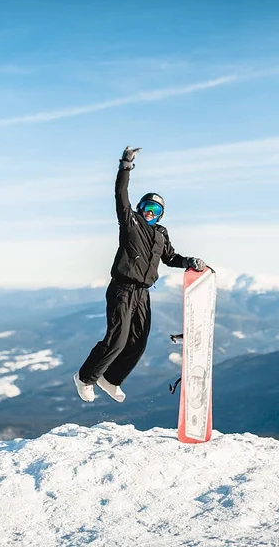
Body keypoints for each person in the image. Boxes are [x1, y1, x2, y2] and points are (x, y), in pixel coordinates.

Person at [73, 146, 205, 403]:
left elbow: (170, 258)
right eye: (146, 207)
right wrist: (126, 165)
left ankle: (110, 379)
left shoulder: (161, 234)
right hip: (122, 288)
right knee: (117, 339)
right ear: (140, 208)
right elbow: (120, 194)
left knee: (137, 342)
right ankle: (85, 377)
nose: (149, 213)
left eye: (154, 211)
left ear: (160, 216)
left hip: (143, 293)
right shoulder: (130, 223)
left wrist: (188, 261)